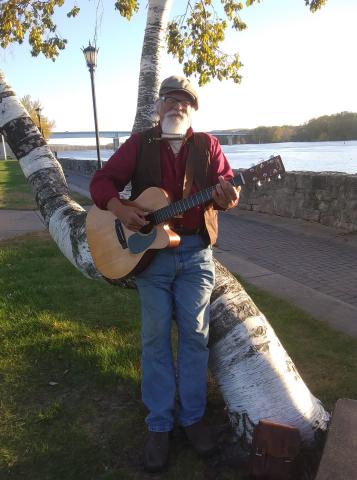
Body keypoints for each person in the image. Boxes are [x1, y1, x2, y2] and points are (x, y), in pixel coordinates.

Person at [90, 75, 240, 472]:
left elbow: (227, 188)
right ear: (158, 107)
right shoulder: (141, 144)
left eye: (185, 102)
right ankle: (159, 423)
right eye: (171, 100)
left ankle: (191, 418)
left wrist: (230, 196)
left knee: (194, 336)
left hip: (194, 257)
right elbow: (101, 181)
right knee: (155, 338)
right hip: (151, 259)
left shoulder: (208, 146)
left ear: (193, 111)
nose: (178, 106)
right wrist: (121, 210)